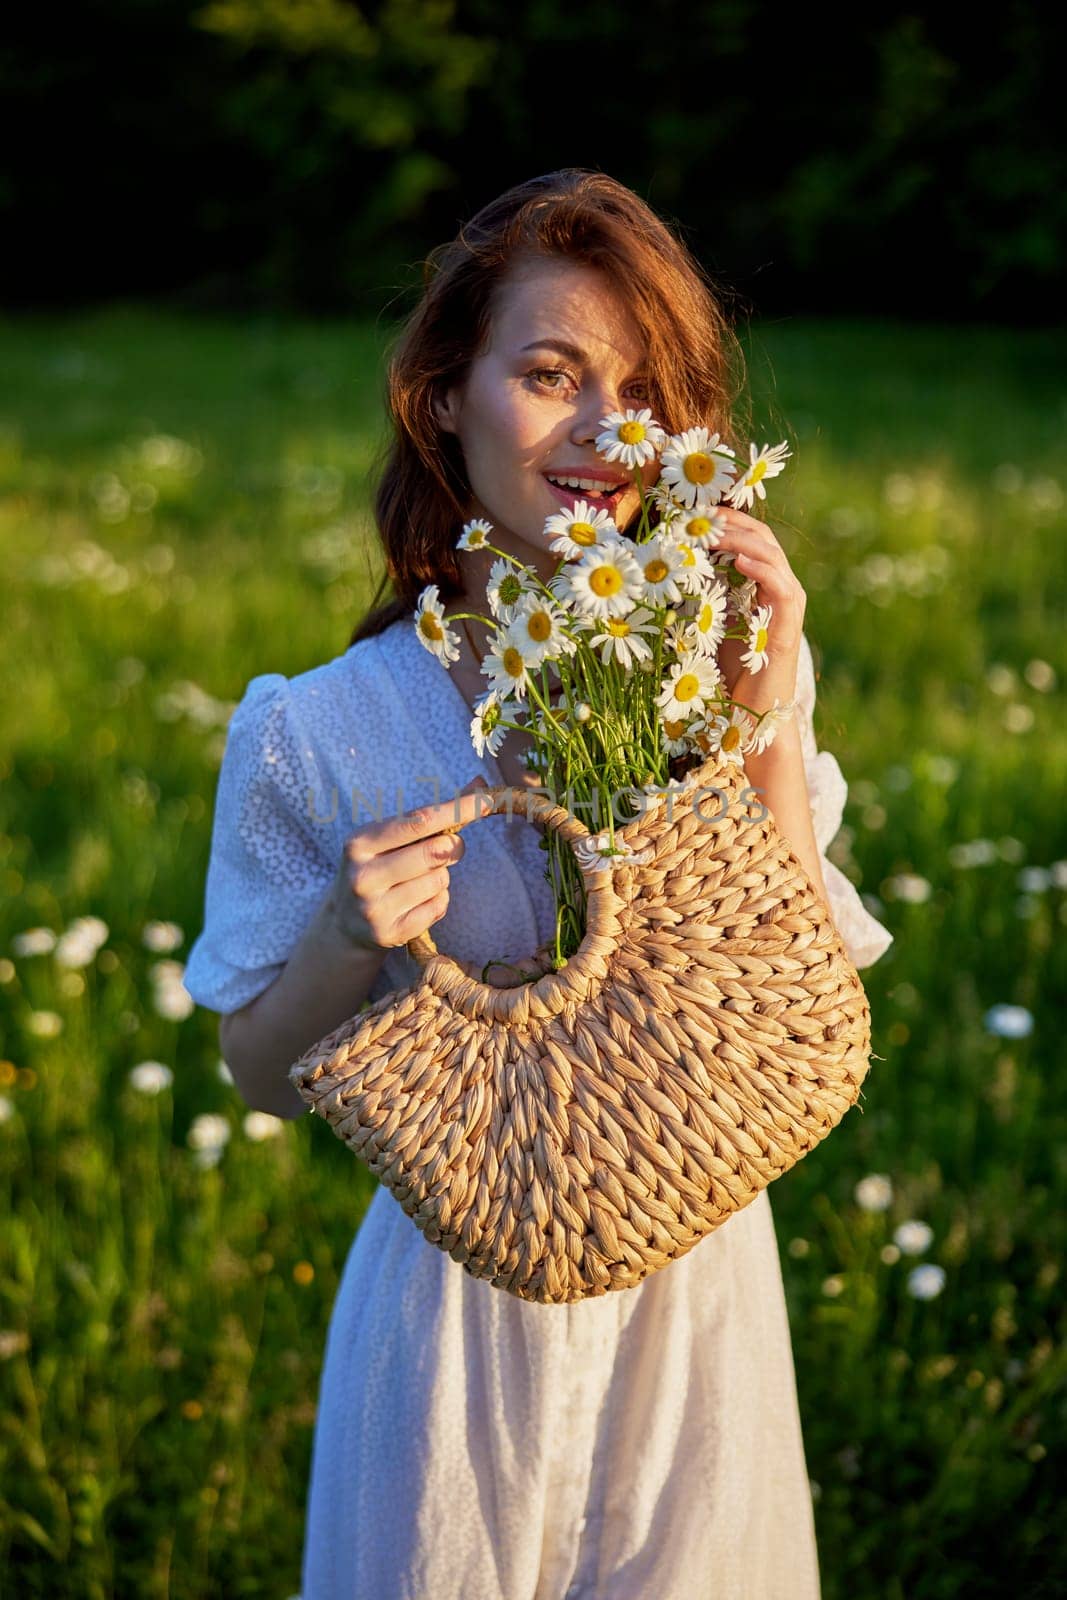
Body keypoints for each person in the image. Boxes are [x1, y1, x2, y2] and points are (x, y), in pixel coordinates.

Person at [182, 168, 893, 1600]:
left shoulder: (720, 664)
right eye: (550, 373)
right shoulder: (317, 728)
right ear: (443, 395)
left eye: (641, 389)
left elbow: (801, 1003)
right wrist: (342, 933)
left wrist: (766, 715)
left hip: (699, 1305)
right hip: (456, 1319)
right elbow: (259, 1072)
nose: (603, 435)